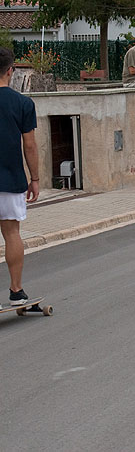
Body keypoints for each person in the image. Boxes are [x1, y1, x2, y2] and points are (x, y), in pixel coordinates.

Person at [0, 47, 39, 307]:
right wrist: (34, 178)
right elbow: (30, 145)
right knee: (12, 233)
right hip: (10, 178)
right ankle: (16, 291)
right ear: (10, 70)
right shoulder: (23, 103)